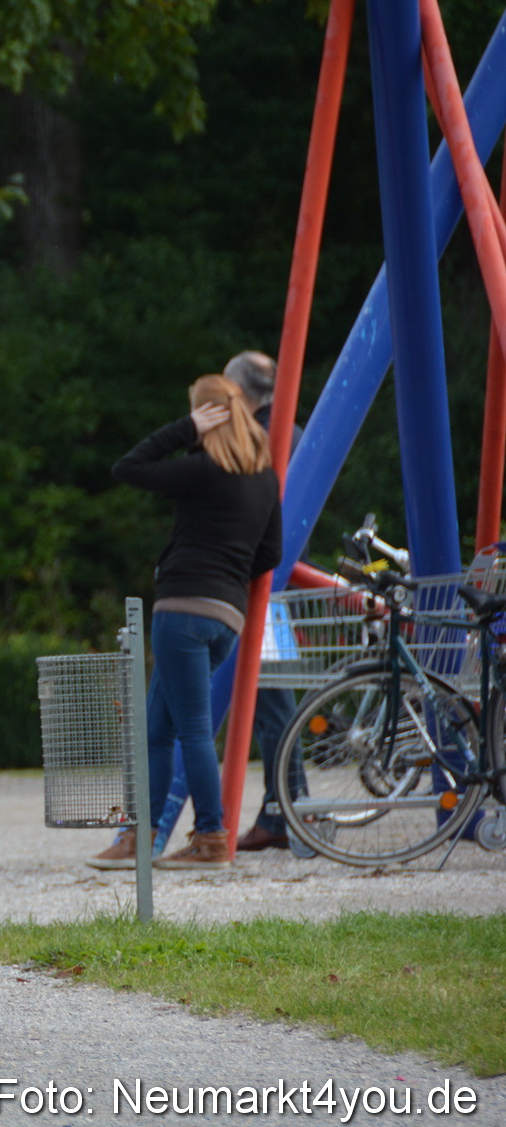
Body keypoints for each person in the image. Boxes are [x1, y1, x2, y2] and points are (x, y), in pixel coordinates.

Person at [89, 374, 282, 871]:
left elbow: (127, 466)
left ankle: (212, 837)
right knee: (157, 729)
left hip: (183, 611)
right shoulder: (264, 478)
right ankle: (139, 837)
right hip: (226, 618)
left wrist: (184, 427)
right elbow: (271, 553)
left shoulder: (202, 469)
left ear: (207, 416)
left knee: (193, 730)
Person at [225, 351, 304, 853]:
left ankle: (283, 809)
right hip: (282, 572)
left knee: (272, 700)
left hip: (262, 583)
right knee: (274, 698)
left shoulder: (253, 434)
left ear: (238, 391)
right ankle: (287, 803)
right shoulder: (292, 430)